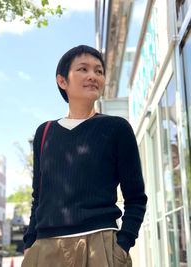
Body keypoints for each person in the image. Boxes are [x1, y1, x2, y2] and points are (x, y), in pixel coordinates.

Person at [22, 45, 147, 267]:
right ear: (62, 81)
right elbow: (38, 197)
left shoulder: (117, 128)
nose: (93, 76)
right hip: (46, 248)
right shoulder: (45, 132)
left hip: (100, 244)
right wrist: (30, 243)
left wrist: (123, 244)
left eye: (99, 71)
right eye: (83, 69)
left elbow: (136, 197)